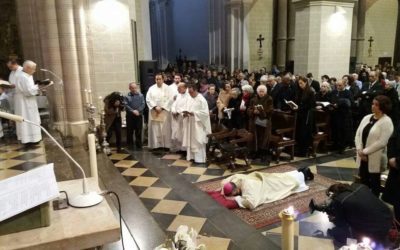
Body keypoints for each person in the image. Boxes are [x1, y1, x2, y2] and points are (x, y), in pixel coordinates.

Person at [313, 183, 392, 247]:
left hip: (376, 231)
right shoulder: (360, 186)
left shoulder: (339, 200)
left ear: (333, 194)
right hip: (388, 218)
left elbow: (341, 224)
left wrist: (333, 218)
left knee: (336, 233)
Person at [210, 167, 314, 210]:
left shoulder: (248, 186)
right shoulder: (234, 179)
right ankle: (300, 172)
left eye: (234, 194)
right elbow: (224, 183)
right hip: (263, 179)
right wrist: (224, 191)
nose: (235, 196)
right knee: (281, 176)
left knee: (285, 183)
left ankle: (304, 174)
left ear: (236, 190)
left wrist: (237, 199)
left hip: (269, 185)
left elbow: (251, 203)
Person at [355, 95, 394, 196]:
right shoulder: (367, 117)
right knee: (363, 181)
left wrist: (364, 152)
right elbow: (358, 134)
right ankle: (364, 200)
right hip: (362, 155)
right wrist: (359, 149)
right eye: (373, 103)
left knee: (374, 182)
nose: (373, 106)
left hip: (375, 157)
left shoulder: (387, 121)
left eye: (376, 105)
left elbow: (382, 142)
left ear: (383, 107)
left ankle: (374, 203)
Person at [14, 60, 42, 144]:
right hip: (25, 102)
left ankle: (35, 137)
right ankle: (29, 139)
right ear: (27, 68)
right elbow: (28, 92)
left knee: (32, 117)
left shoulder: (27, 75)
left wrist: (38, 87)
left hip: (29, 100)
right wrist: (39, 86)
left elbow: (30, 88)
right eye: (33, 69)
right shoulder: (23, 77)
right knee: (27, 118)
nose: (34, 70)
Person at [182, 83, 211, 163]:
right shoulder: (190, 98)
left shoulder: (201, 99)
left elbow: (205, 113)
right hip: (190, 123)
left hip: (198, 124)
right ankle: (191, 157)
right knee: (191, 140)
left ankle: (199, 159)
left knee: (198, 140)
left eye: (191, 92)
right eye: (189, 92)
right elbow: (187, 108)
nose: (190, 94)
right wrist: (185, 113)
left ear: (195, 90)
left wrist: (194, 113)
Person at [146, 73, 173, 150]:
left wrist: (162, 108)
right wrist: (155, 107)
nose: (158, 81)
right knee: (155, 128)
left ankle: (166, 145)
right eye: (156, 79)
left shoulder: (168, 88)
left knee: (165, 128)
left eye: (159, 79)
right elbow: (148, 99)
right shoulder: (151, 88)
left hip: (164, 112)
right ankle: (155, 145)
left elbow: (170, 99)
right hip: (154, 112)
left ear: (163, 79)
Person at [247, 85, 273, 161]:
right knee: (255, 137)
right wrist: (253, 111)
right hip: (254, 122)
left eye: (263, 91)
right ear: (257, 92)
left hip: (264, 121)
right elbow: (248, 109)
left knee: (263, 138)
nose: (261, 93)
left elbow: (271, 110)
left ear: (265, 92)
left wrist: (261, 111)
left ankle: (262, 154)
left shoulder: (269, 99)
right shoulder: (253, 99)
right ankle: (255, 152)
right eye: (260, 91)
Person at [294, 76, 316, 156]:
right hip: (300, 115)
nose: (300, 85)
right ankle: (299, 149)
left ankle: (304, 151)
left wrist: (299, 107)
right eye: (299, 83)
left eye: (301, 83)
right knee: (299, 132)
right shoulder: (299, 91)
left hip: (307, 116)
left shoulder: (310, 92)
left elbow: (311, 104)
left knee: (304, 133)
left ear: (306, 82)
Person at [330, 80, 354, 153]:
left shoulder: (348, 92)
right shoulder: (334, 92)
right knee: (335, 130)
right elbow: (332, 99)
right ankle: (335, 145)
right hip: (335, 114)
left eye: (340, 85)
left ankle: (342, 147)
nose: (338, 87)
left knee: (342, 131)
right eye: (337, 85)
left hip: (344, 114)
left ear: (344, 85)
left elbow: (350, 103)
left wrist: (339, 104)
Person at [125, 83, 145, 150]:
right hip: (130, 116)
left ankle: (139, 145)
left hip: (138, 116)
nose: (134, 89)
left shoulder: (141, 95)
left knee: (138, 130)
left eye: (135, 88)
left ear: (137, 88)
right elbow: (126, 105)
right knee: (130, 131)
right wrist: (133, 111)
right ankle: (130, 145)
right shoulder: (126, 96)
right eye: (132, 88)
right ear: (129, 88)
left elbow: (143, 104)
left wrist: (138, 111)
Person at [170, 82, 189, 152]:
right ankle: (179, 147)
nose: (177, 89)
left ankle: (185, 149)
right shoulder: (178, 95)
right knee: (178, 133)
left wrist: (179, 112)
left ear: (185, 88)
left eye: (179, 88)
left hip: (184, 118)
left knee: (184, 133)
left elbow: (187, 107)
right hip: (177, 118)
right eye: (177, 87)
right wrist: (174, 111)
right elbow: (174, 105)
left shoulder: (189, 96)